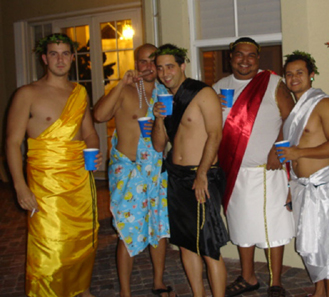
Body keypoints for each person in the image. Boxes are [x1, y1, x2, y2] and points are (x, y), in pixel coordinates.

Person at [6, 33, 101, 297]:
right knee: (50, 243)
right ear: (45, 59)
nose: (60, 59)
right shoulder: (27, 94)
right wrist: (20, 187)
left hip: (80, 177)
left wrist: (94, 151)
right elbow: (13, 143)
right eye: (54, 54)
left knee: (84, 236)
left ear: (73, 58)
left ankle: (80, 288)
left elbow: (89, 132)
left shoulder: (80, 92)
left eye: (65, 53)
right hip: (46, 183)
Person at [214, 37, 295, 297]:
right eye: (239, 54)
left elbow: (293, 118)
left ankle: (276, 281)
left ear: (258, 59)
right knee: (242, 227)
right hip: (235, 173)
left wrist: (278, 149)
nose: (245, 60)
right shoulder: (219, 88)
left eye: (251, 55)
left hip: (269, 170)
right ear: (231, 57)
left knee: (275, 227)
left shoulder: (272, 83)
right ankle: (248, 277)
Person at [93, 43, 172, 297]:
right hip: (128, 173)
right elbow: (100, 115)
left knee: (159, 229)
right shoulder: (125, 91)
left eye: (153, 61)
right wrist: (118, 85)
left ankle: (158, 282)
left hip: (158, 171)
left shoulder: (166, 93)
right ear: (136, 64)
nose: (148, 66)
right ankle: (125, 292)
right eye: (142, 61)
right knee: (127, 232)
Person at [151, 43, 228, 297]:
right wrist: (159, 119)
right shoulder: (165, 99)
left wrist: (202, 174)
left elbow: (215, 135)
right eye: (160, 68)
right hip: (176, 177)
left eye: (170, 66)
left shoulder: (202, 93)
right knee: (186, 245)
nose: (165, 73)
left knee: (208, 246)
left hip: (201, 176)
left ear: (182, 66)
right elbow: (159, 145)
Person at [280, 51, 329, 297]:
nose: (294, 78)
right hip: (300, 185)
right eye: (289, 74)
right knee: (311, 244)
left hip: (321, 186)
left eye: (299, 73)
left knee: (326, 245)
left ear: (311, 75)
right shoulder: (296, 109)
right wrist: (291, 185)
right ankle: (319, 290)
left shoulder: (324, 104)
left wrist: (298, 152)